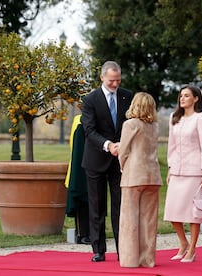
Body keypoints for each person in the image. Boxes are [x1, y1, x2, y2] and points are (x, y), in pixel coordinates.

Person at [81, 61, 133, 262]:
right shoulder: (90, 99)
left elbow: (132, 123)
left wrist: (122, 146)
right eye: (112, 80)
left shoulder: (127, 96)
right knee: (97, 207)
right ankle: (98, 249)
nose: (115, 84)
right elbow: (89, 130)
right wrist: (108, 145)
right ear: (102, 77)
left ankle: (123, 249)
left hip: (120, 160)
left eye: (118, 80)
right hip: (96, 159)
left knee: (120, 207)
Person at [164, 85, 202, 263]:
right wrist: (170, 168)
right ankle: (183, 243)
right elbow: (172, 145)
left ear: (196, 98)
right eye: (181, 96)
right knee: (172, 211)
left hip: (194, 172)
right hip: (177, 170)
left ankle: (192, 249)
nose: (182, 99)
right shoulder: (174, 117)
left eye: (186, 96)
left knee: (193, 214)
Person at [118, 92, 162, 268]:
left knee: (129, 220)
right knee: (149, 221)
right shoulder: (155, 126)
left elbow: (123, 150)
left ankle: (130, 260)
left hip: (134, 175)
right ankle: (147, 259)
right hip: (153, 175)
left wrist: (122, 166)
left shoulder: (130, 124)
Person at [64, 108, 91, 245]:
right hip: (80, 165)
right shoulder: (80, 122)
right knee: (82, 199)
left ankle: (90, 232)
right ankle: (83, 233)